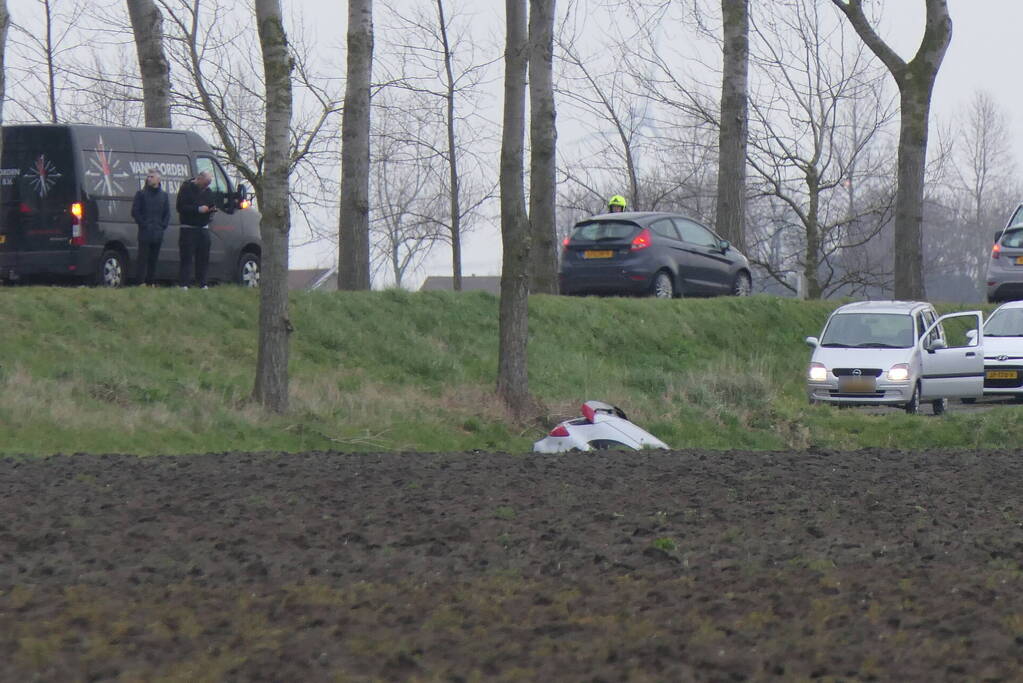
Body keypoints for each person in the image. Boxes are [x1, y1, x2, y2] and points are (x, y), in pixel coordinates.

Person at [176, 170, 217, 289]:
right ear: (199, 179)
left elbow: (211, 204)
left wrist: (211, 210)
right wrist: (198, 209)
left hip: (203, 228)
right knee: (187, 257)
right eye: (205, 184)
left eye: (208, 184)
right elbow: (180, 207)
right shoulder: (186, 188)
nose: (206, 187)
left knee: (203, 258)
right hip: (188, 228)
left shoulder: (208, 192)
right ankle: (184, 283)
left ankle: (202, 283)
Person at [130, 169, 171, 286]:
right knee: (142, 258)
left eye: (152, 176)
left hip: (158, 232)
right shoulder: (141, 194)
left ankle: (150, 282)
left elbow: (167, 213)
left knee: (154, 259)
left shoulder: (164, 196)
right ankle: (140, 282)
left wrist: (162, 226)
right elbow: (135, 211)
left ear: (158, 179)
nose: (149, 178)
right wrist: (143, 224)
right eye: (148, 176)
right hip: (145, 232)